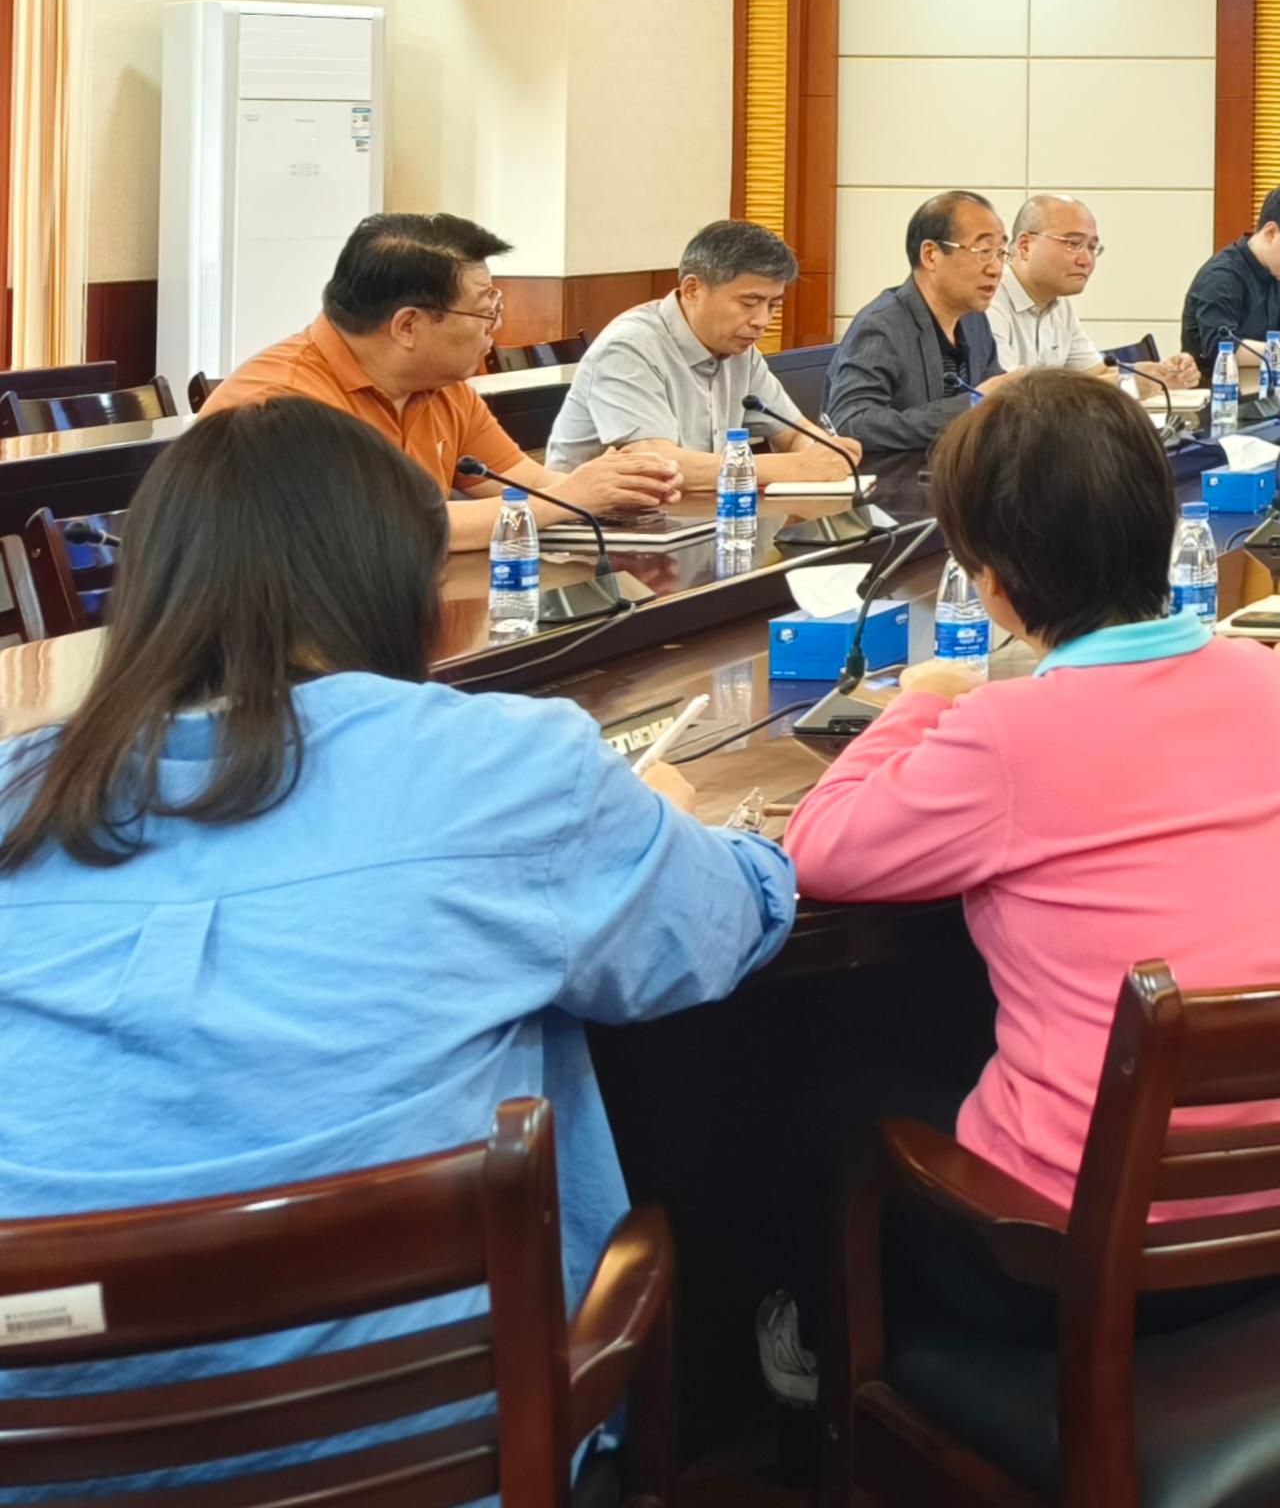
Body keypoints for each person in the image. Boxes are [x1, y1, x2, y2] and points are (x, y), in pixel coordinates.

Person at [0, 400, 792, 1451]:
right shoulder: (506, 766)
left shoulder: (22, 789)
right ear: (396, 579)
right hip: (441, 1450)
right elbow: (717, 925)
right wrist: (684, 829)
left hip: (46, 1448)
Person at [782, 374, 1280, 1323]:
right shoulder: (1254, 678)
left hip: (1083, 1258)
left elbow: (820, 851)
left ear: (993, 587)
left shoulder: (1005, 732)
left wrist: (917, 702)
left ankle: (810, 1378)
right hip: (1279, 1214)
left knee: (829, 1105)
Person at [206, 211, 682, 550]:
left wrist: (616, 489)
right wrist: (570, 497)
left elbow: (528, 483)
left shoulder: (442, 387)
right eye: (485, 310)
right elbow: (385, 532)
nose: (496, 326)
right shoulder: (277, 405)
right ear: (407, 326)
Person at [546, 217, 866, 488]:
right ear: (692, 289)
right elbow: (658, 464)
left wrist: (825, 452)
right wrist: (798, 467)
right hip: (596, 530)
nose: (762, 320)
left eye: (773, 305)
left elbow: (795, 434)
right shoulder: (629, 348)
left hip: (692, 518)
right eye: (749, 302)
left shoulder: (740, 349)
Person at [828, 191, 1025, 465]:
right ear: (931, 255)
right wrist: (972, 404)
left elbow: (993, 400)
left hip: (956, 475)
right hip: (892, 484)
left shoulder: (974, 320)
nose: (996, 269)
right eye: (983, 251)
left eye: (1001, 253)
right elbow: (851, 423)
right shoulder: (882, 326)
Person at [994, 192, 1199, 387]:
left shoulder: (1059, 304)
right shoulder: (990, 299)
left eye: (1092, 247)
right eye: (1073, 243)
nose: (1086, 260)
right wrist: (1128, 384)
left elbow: (1095, 374)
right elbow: (1008, 392)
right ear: (1025, 245)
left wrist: (1160, 375)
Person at [1179, 183, 1280, 382]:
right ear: (1271, 232)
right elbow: (1224, 350)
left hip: (1265, 394)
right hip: (1218, 395)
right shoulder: (1220, 277)